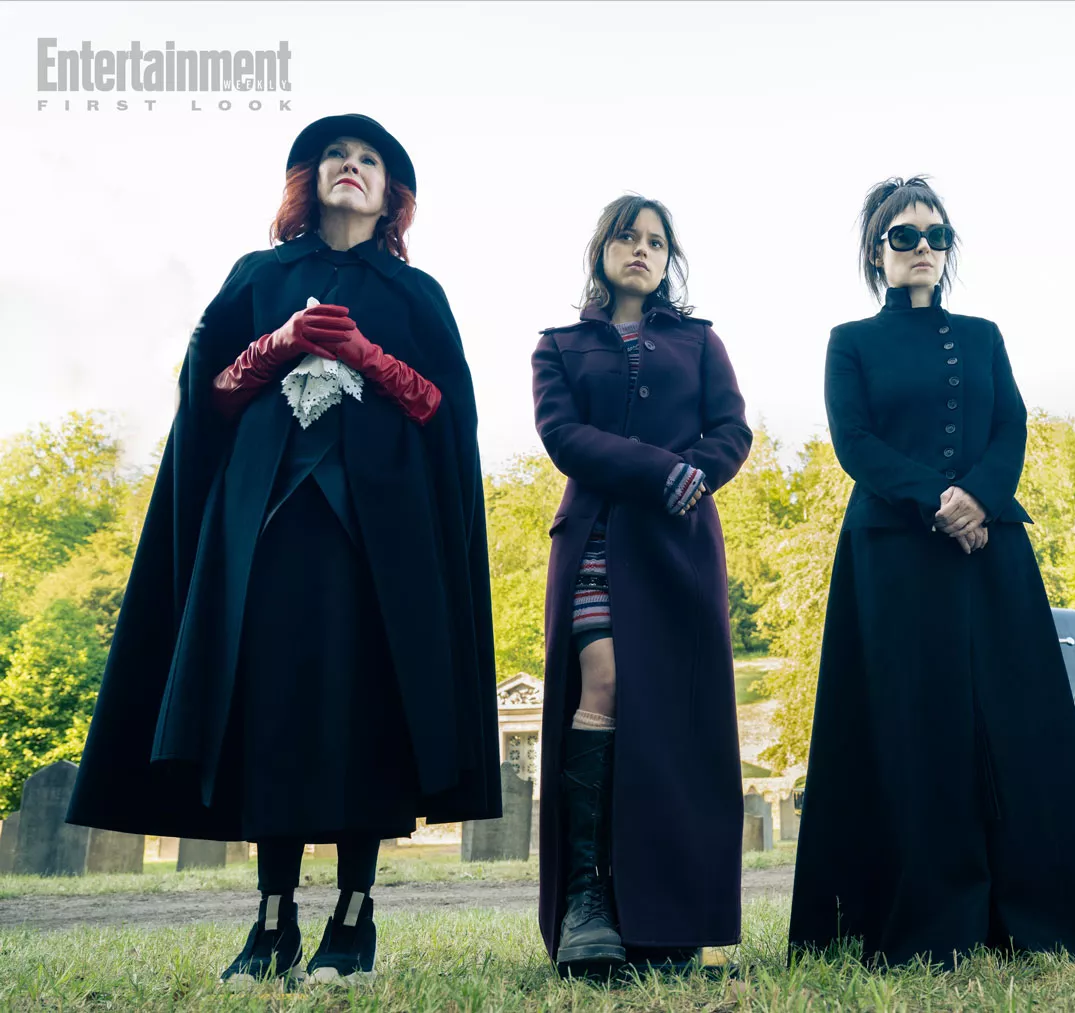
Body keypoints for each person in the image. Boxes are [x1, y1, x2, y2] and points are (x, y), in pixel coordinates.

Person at [67, 114, 500, 987]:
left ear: (392, 194)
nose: (352, 165)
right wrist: (278, 344)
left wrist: (367, 355)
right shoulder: (259, 276)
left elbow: (445, 413)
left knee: (367, 709)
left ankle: (353, 915)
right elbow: (208, 394)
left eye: (370, 159)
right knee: (273, 710)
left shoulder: (418, 295)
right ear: (310, 177)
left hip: (381, 543)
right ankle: (272, 921)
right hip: (268, 529)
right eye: (337, 154)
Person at [788, 177, 1075, 970]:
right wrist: (937, 500)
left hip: (990, 550)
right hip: (893, 555)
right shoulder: (850, 340)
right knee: (911, 726)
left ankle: (1034, 914)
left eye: (936, 235)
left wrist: (979, 497)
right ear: (877, 251)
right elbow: (854, 441)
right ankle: (921, 916)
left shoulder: (983, 335)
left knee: (1014, 725)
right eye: (904, 235)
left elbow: (1011, 423)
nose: (923, 247)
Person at [531, 195, 753, 978]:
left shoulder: (700, 341)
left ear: (668, 260)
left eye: (656, 242)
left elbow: (733, 430)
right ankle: (587, 897)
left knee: (670, 713)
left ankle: (665, 914)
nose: (642, 250)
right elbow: (563, 435)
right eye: (627, 237)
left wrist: (697, 474)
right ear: (602, 250)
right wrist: (663, 469)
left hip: (678, 546)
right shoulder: (558, 345)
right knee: (606, 681)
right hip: (596, 537)